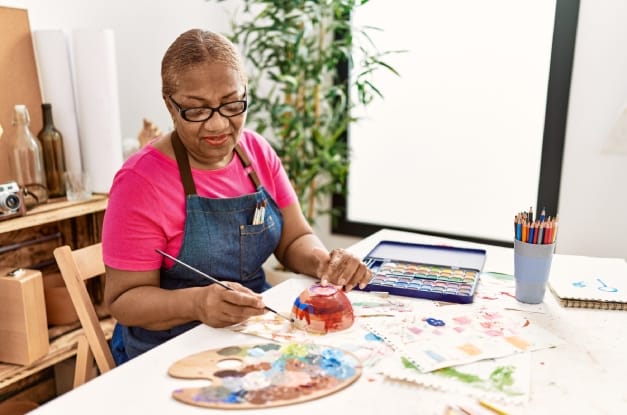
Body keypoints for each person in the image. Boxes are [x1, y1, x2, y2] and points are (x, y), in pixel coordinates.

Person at [102, 28, 372, 363]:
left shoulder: (256, 152)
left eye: (232, 105)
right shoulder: (140, 182)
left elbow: (294, 238)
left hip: (252, 331)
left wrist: (324, 263)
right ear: (170, 106)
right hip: (169, 350)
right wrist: (197, 303)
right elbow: (123, 301)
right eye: (197, 110)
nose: (218, 125)